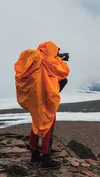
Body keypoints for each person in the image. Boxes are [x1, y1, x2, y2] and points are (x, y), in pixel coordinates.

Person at [14, 41, 70, 169]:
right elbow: (64, 72)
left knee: (36, 123)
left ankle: (34, 155)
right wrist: (60, 60)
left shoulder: (34, 61)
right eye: (55, 52)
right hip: (46, 98)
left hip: (35, 99)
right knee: (48, 125)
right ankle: (46, 158)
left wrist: (56, 58)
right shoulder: (50, 63)